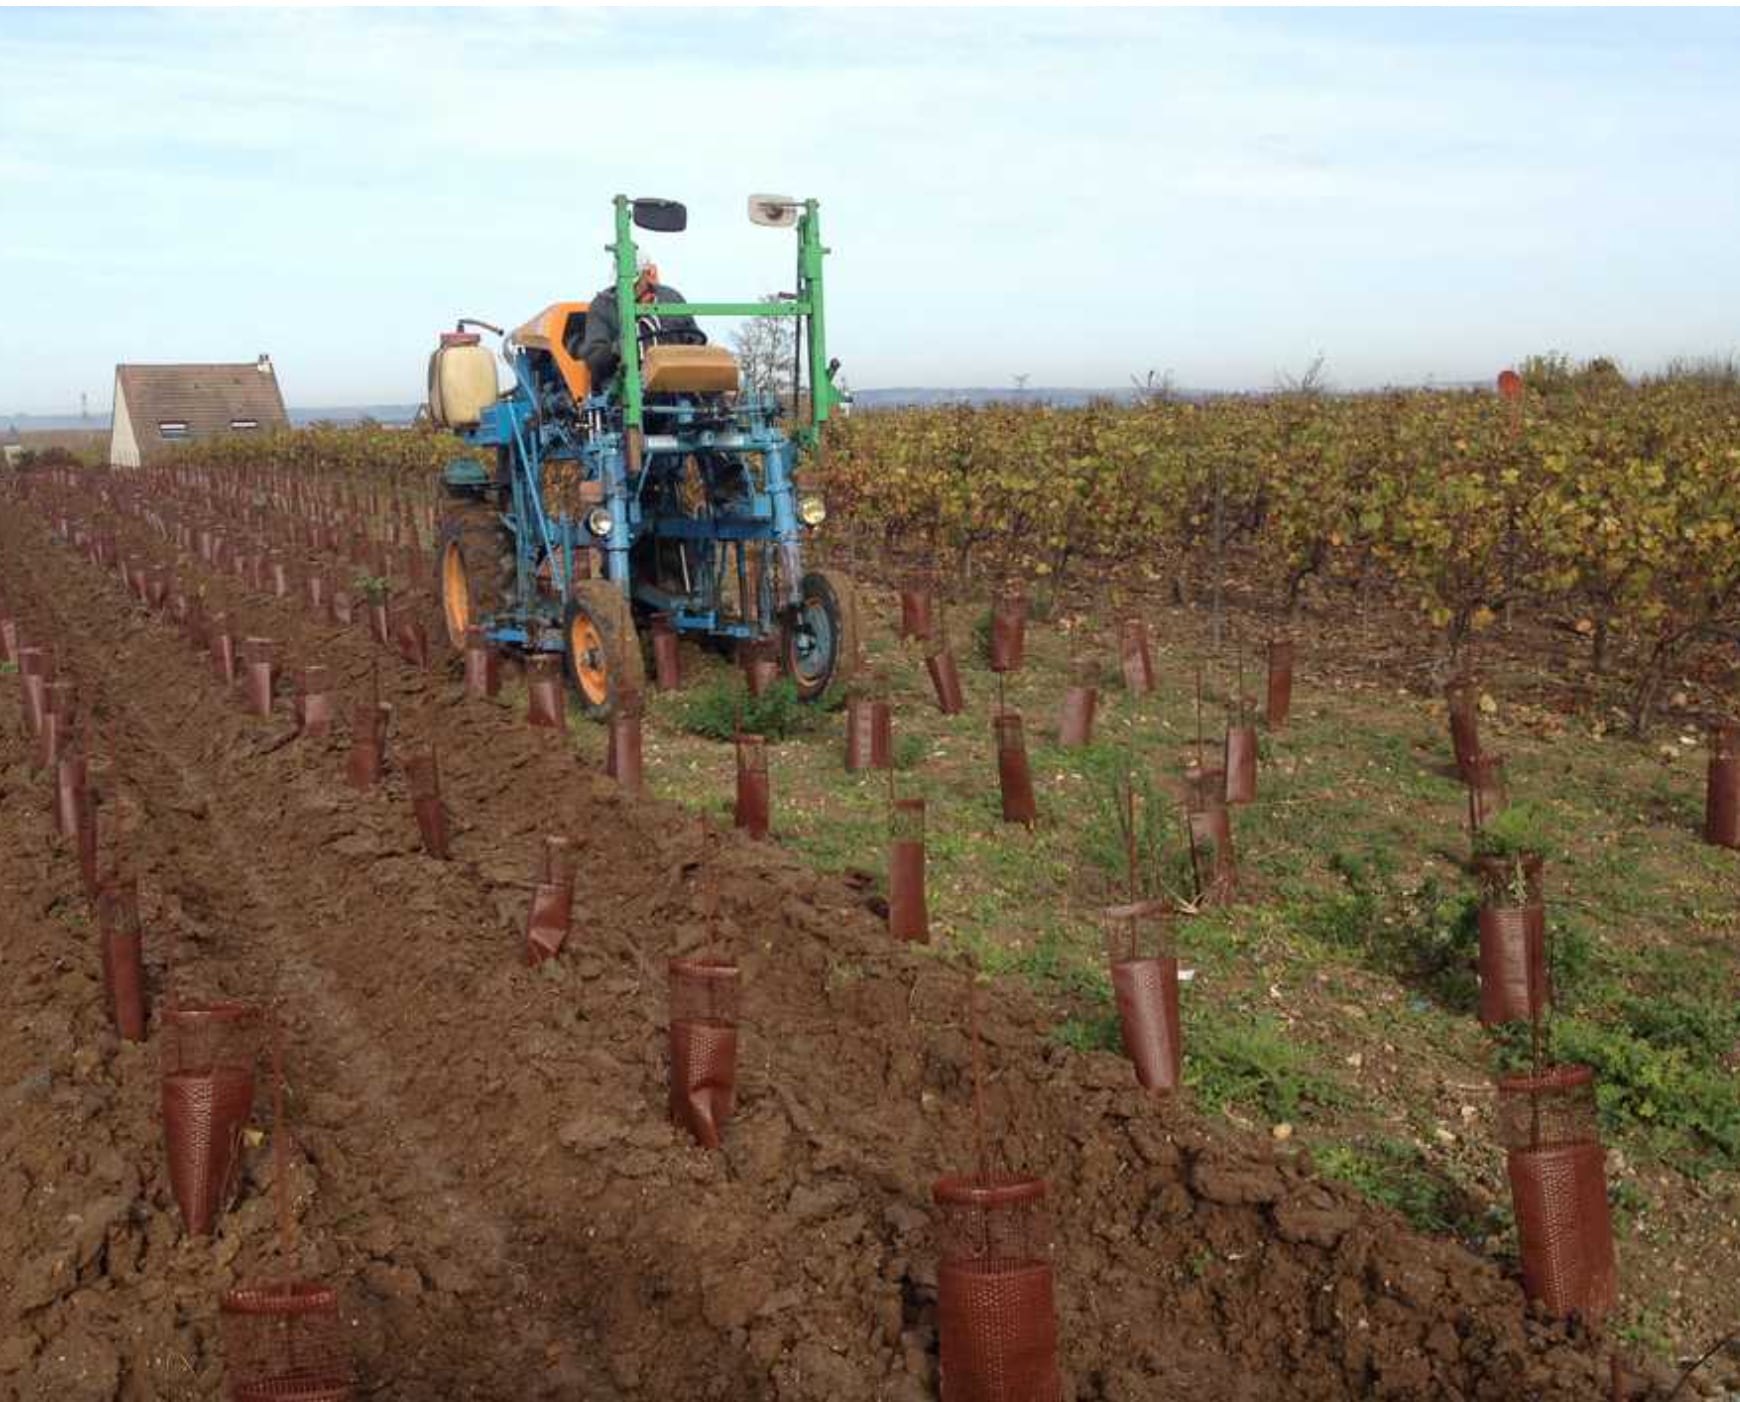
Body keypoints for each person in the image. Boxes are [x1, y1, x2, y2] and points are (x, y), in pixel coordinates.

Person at [579, 258, 704, 388]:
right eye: (621, 283)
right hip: (622, 387)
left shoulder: (672, 298)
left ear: (649, 274)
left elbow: (695, 341)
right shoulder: (602, 306)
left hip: (676, 384)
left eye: (633, 283)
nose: (626, 288)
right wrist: (620, 348)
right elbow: (594, 359)